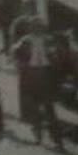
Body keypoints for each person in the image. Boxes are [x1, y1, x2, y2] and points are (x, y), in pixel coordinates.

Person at [11, 19, 65, 147]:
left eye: (39, 27)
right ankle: (38, 135)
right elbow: (15, 52)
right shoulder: (26, 40)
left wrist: (55, 58)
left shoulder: (48, 40)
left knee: (49, 108)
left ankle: (56, 139)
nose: (37, 30)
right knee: (34, 107)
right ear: (31, 28)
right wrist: (21, 65)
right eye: (35, 27)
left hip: (45, 74)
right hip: (31, 74)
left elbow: (58, 53)